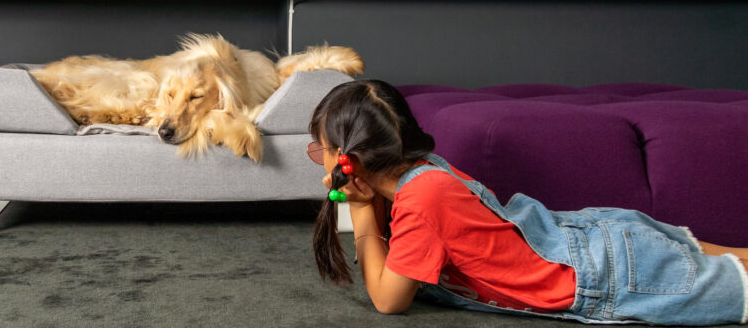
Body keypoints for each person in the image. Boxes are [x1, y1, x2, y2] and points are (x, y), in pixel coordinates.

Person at [305, 79, 748, 325]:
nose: (318, 157)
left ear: (351, 160)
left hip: (613, 274)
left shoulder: (421, 199)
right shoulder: (422, 173)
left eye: (320, 148)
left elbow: (388, 298)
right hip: (604, 241)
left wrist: (360, 208)